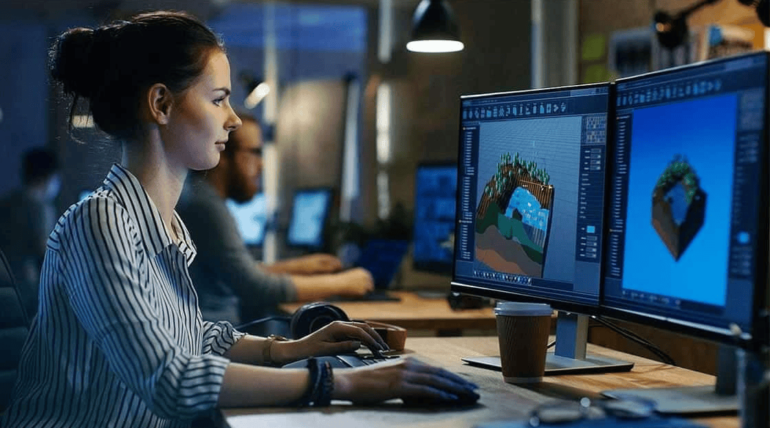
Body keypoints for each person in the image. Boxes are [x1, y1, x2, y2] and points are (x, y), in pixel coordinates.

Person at [1, 11, 478, 427]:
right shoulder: (99, 223)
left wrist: (291, 349)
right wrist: (345, 383)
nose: (232, 119)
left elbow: (189, 335)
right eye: (218, 99)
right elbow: (171, 380)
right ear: (161, 104)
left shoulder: (161, 224)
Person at [178, 114, 372, 325]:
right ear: (222, 153)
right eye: (255, 152)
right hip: (216, 345)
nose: (261, 165)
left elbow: (238, 272)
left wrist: (298, 266)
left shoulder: (199, 196)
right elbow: (255, 287)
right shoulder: (205, 206)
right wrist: (343, 283)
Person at [0, 147, 60, 318]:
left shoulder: (5, 203)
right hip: (26, 292)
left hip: (5, 290)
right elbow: (47, 253)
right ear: (47, 177)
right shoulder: (40, 208)